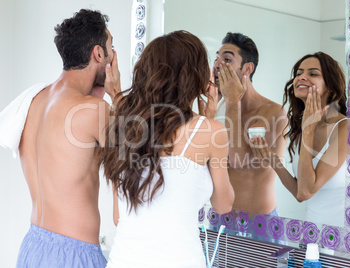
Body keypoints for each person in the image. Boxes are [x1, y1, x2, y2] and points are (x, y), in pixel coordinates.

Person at [102, 30, 234, 268]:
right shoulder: (212, 131)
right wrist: (208, 121)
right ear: (195, 77)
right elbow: (223, 205)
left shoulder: (122, 126)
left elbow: (118, 217)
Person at [0, 9, 121, 267]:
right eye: (112, 48)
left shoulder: (32, 101)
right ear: (98, 54)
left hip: (32, 248)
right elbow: (128, 173)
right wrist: (117, 94)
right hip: (75, 255)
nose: (114, 56)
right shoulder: (95, 111)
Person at [250, 52, 350, 227]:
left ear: (331, 87)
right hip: (311, 240)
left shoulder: (345, 128)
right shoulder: (302, 128)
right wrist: (272, 160)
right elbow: (299, 192)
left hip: (344, 245)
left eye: (312, 73)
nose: (301, 77)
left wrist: (308, 130)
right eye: (298, 74)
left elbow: (306, 192)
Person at [200, 32, 287, 216]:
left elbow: (238, 160)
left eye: (227, 59)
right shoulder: (216, 110)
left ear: (247, 69)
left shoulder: (274, 112)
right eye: (216, 58)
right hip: (221, 221)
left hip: (261, 225)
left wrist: (233, 101)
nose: (217, 65)